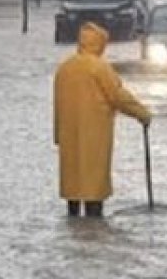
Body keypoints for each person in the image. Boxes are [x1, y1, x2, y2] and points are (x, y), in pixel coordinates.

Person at [54, 23, 152, 218]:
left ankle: (73, 223)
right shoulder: (100, 68)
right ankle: (94, 224)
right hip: (95, 134)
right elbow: (117, 96)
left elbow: (57, 104)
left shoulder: (64, 68)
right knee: (93, 180)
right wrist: (142, 114)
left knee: (73, 181)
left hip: (69, 135)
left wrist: (57, 135)